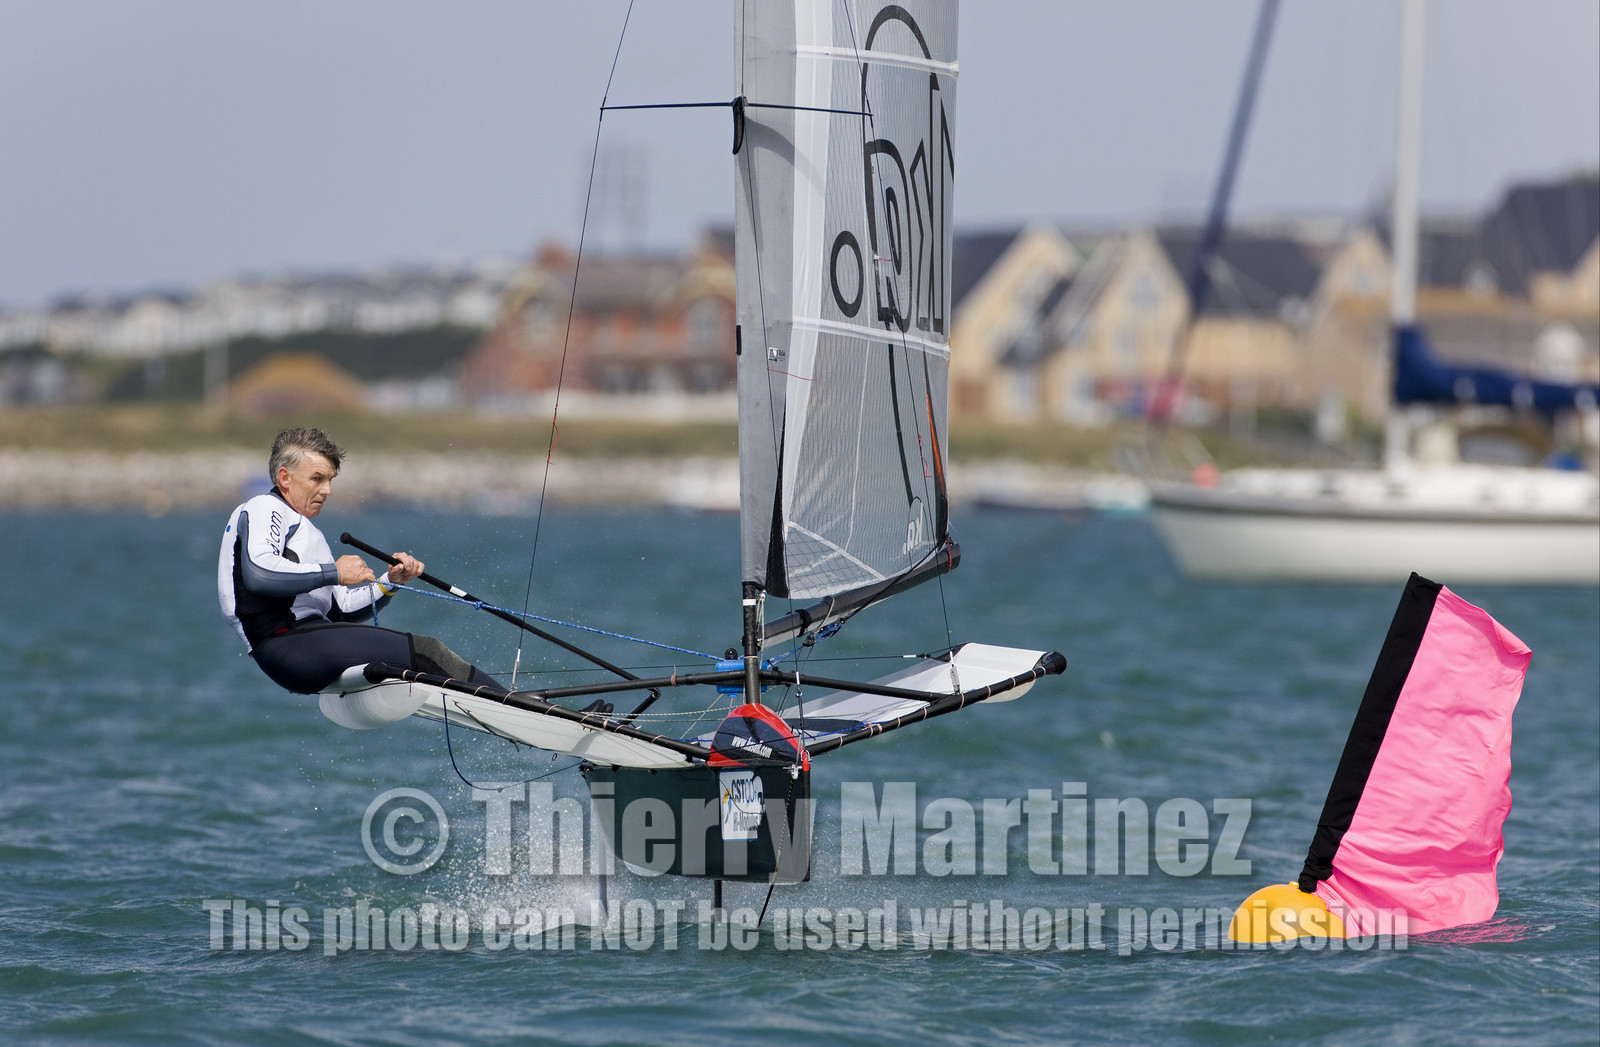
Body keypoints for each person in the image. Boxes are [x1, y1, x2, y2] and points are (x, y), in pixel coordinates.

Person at [218, 427, 504, 695]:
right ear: (284, 478)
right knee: (426, 653)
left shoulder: (306, 532)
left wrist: (390, 582)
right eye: (317, 478)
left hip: (305, 642)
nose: (327, 490)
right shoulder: (264, 507)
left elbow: (342, 611)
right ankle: (517, 707)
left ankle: (508, 706)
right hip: (285, 643)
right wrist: (334, 573)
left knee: (416, 659)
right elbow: (260, 574)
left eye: (330, 480)